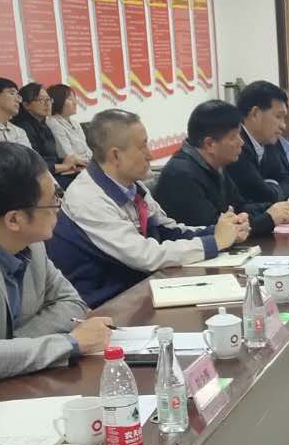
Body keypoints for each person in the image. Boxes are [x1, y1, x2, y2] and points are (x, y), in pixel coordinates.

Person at [48, 109, 247, 307]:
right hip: (101, 306)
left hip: (136, 290)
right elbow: (146, 256)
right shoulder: (88, 198)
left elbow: (168, 230)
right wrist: (215, 242)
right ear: (116, 155)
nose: (150, 155)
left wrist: (221, 231)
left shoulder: (131, 185)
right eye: (142, 146)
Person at [0, 143, 112, 379]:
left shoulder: (32, 244)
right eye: (53, 200)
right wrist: (71, 343)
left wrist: (10, 346)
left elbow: (73, 303)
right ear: (14, 220)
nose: (59, 207)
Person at [153, 100, 289, 238]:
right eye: (234, 137)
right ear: (210, 144)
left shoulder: (215, 164)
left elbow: (239, 206)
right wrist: (269, 218)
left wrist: (278, 208)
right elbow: (215, 231)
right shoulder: (181, 176)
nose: (241, 142)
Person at [229, 81, 289, 203]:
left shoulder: (267, 142)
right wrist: (275, 186)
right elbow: (263, 195)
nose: (283, 126)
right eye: (278, 117)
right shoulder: (236, 146)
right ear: (255, 113)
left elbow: (287, 180)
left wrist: (273, 186)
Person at [15, 83, 85, 185]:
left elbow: (52, 158)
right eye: (41, 100)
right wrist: (64, 166)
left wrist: (70, 162)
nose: (47, 104)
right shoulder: (23, 128)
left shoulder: (44, 124)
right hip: (40, 179)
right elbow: (34, 165)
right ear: (26, 105)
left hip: (55, 173)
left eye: (48, 99)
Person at [46, 83, 90, 163]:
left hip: (87, 163)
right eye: (70, 99)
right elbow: (68, 155)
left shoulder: (75, 123)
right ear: (58, 101)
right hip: (74, 167)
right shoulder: (53, 123)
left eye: (74, 98)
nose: (75, 102)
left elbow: (87, 149)